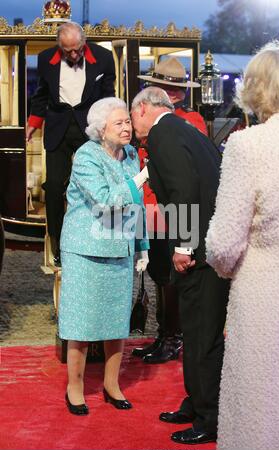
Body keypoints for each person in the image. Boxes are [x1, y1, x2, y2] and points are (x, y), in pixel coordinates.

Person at [131, 87, 229, 444]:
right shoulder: (186, 130)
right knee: (196, 330)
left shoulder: (163, 134)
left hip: (199, 253)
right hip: (210, 247)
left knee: (203, 335)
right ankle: (196, 402)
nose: (132, 125)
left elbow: (184, 189)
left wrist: (184, 246)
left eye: (131, 116)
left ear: (143, 109)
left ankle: (209, 418)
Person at [206, 42, 279, 450]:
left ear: (256, 88)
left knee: (258, 411)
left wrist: (222, 267)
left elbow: (223, 245)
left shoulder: (247, 146)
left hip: (263, 295)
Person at [58, 97, 149, 415]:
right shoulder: (86, 156)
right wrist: (140, 179)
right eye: (119, 123)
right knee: (81, 325)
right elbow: (107, 201)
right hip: (85, 249)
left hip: (119, 249)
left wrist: (142, 246)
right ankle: (76, 388)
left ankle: (112, 385)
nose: (127, 128)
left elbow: (134, 207)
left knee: (115, 323)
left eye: (128, 121)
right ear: (101, 129)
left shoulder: (132, 155)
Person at [132, 57, 208, 364]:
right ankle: (165, 334)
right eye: (167, 88)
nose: (172, 94)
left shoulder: (189, 121)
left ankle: (174, 337)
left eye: (175, 89)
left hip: (174, 207)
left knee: (172, 276)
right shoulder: (159, 120)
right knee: (159, 274)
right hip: (151, 204)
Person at [26, 22, 116, 265]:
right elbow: (41, 95)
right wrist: (33, 123)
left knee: (95, 186)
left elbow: (109, 97)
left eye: (77, 49)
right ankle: (57, 242)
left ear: (84, 42)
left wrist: (111, 128)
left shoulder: (104, 58)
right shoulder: (45, 59)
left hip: (90, 128)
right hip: (59, 128)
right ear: (59, 46)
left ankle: (98, 238)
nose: (74, 55)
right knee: (54, 187)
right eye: (68, 51)